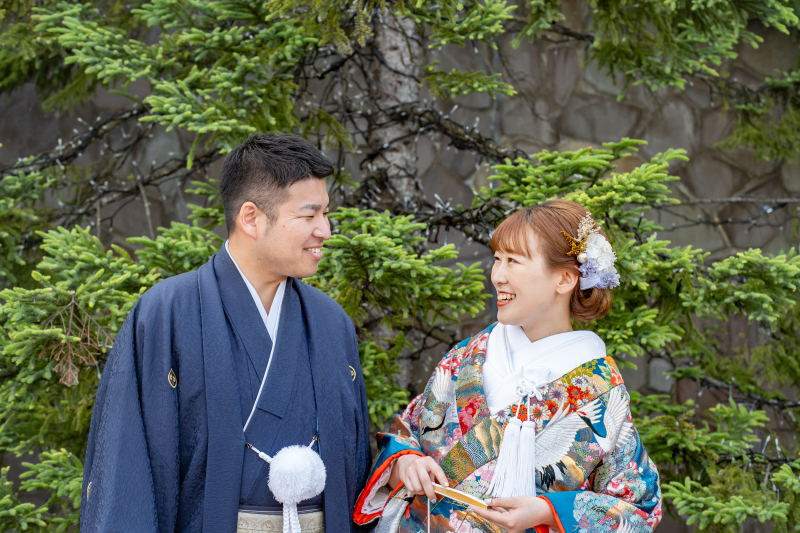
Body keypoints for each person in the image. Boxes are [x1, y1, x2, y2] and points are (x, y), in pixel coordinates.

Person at [80, 133, 371, 532]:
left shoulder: (331, 323)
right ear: (250, 217)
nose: (325, 230)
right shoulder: (167, 313)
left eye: (325, 213)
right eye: (309, 215)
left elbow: (353, 468)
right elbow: (125, 470)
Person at [353, 200, 662, 533]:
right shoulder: (470, 354)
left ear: (565, 279)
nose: (497, 276)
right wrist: (406, 463)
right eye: (497, 259)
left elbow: (639, 507)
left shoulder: (601, 391)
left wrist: (548, 511)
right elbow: (409, 430)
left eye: (513, 261)